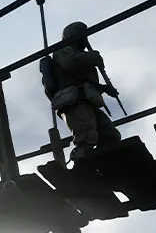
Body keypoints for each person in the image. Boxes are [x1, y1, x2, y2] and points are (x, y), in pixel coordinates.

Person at [50, 21, 122, 162]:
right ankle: (81, 165)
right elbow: (69, 64)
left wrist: (105, 88)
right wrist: (92, 57)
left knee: (109, 134)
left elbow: (88, 83)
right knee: (86, 137)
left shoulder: (81, 55)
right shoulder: (62, 50)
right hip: (74, 101)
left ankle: (109, 161)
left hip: (88, 101)